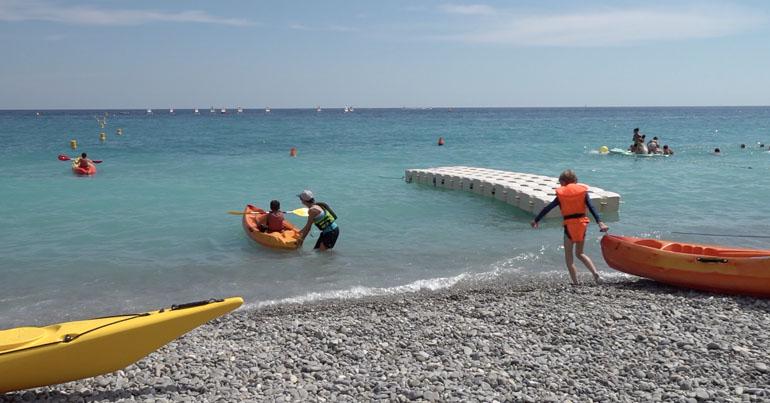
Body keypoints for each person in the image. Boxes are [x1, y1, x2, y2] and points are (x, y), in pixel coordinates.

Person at [530, 170, 609, 285]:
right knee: (580, 253)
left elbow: (548, 208)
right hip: (582, 224)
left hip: (569, 225)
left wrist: (536, 220)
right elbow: (591, 207)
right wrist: (600, 222)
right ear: (575, 181)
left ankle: (576, 283)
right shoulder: (583, 192)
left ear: (563, 182)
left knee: (569, 258)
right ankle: (595, 274)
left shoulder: (561, 194)